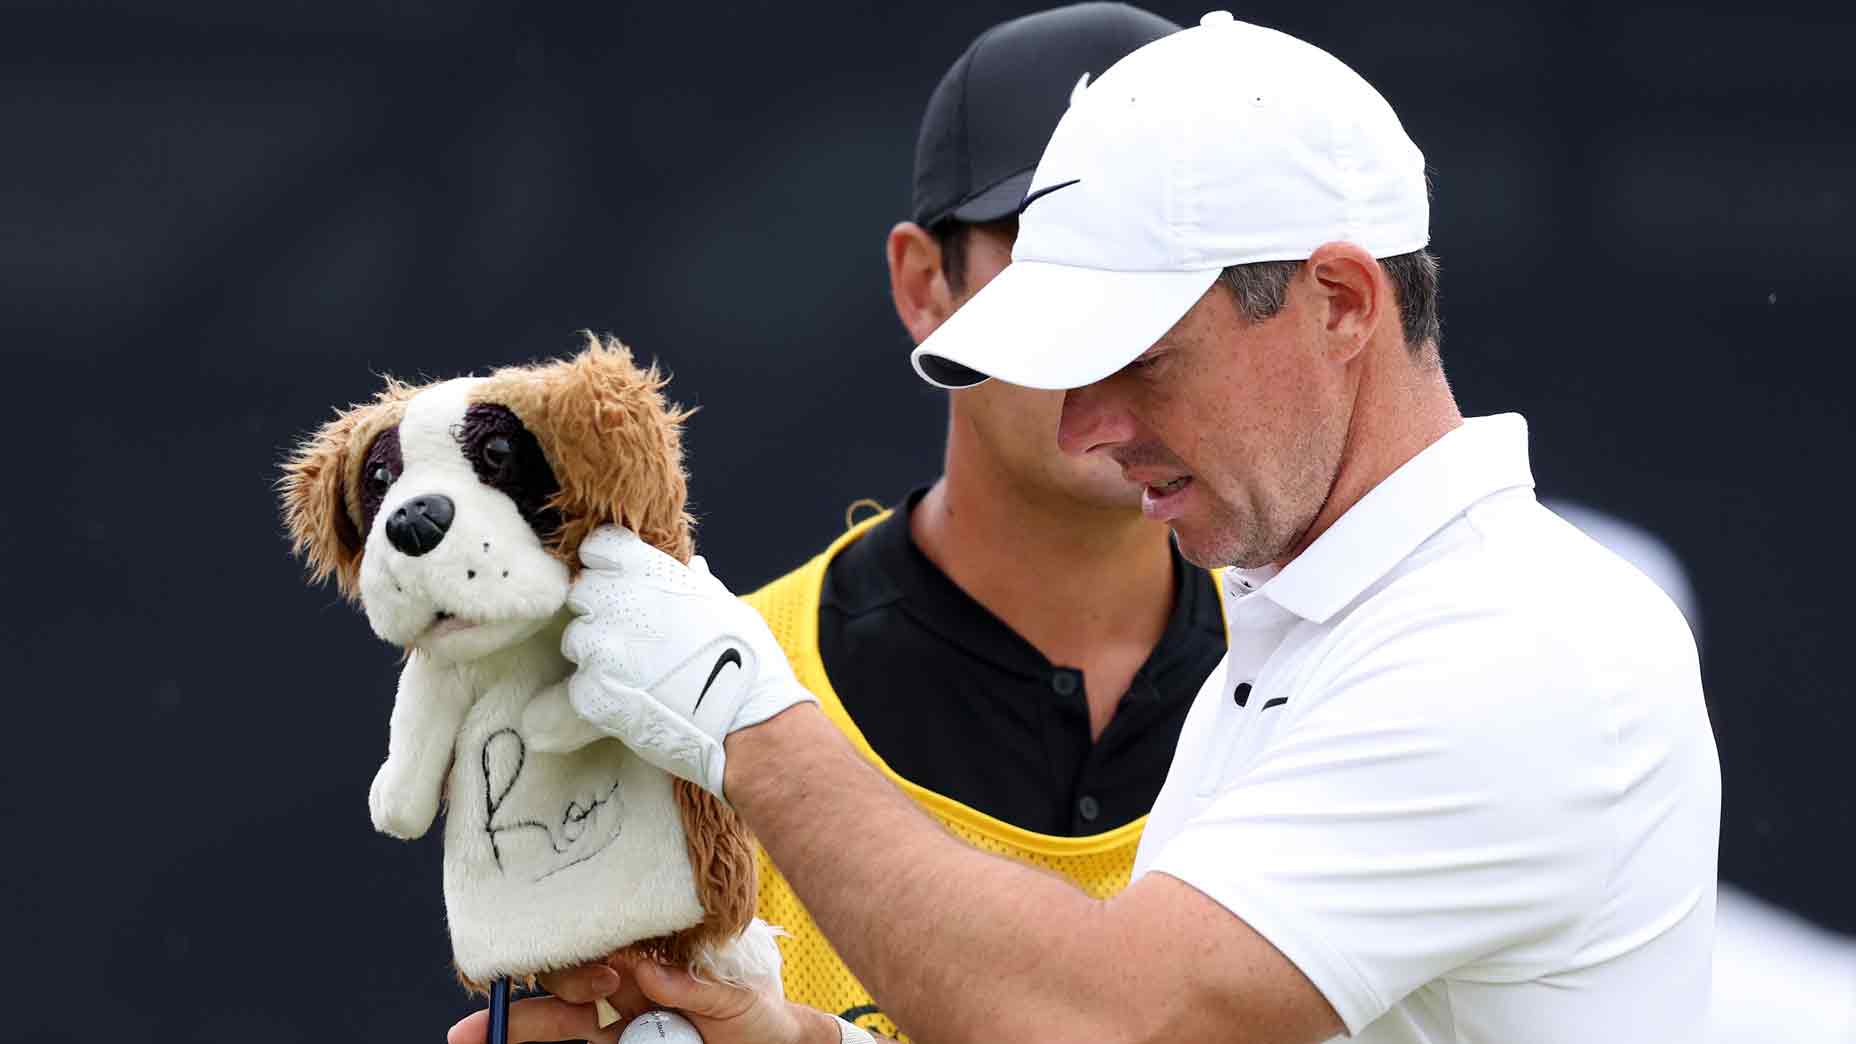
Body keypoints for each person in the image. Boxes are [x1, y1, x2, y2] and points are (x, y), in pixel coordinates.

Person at [482, 12, 1723, 1044]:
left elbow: (1122, 1026)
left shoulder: (1510, 647)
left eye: (1137, 358)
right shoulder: (1318, 621)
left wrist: (744, 718)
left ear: (1339, 302)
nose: (1085, 429)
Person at [446, 5, 1215, 1043]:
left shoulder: (1349, 679)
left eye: (1167, 265)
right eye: (1057, 249)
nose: (1115, 328)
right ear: (921, 285)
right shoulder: (677, 706)